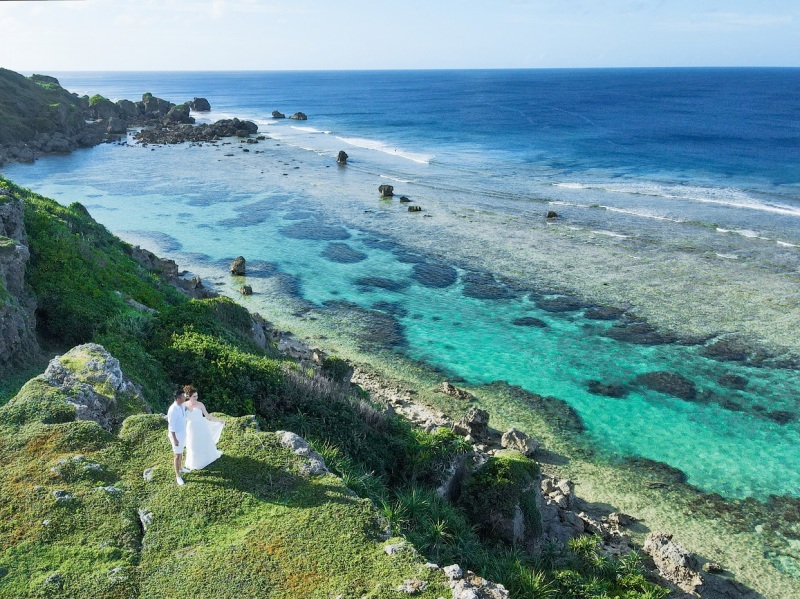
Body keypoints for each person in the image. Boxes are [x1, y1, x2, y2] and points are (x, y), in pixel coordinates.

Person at [183, 384, 225, 471]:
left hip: (201, 426)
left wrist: (218, 420)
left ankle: (206, 458)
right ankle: (194, 462)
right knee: (192, 444)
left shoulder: (200, 404)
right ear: (189, 396)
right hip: (191, 428)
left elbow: (207, 415)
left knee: (203, 441)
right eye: (194, 396)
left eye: (197, 396)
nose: (196, 398)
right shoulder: (184, 405)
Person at [167, 389, 190, 486]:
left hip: (183, 433)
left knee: (181, 452)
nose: (185, 398)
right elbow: (171, 426)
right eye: (183, 397)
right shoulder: (173, 409)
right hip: (176, 436)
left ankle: (180, 468)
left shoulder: (182, 405)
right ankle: (178, 476)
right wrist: (175, 439)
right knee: (177, 455)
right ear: (178, 399)